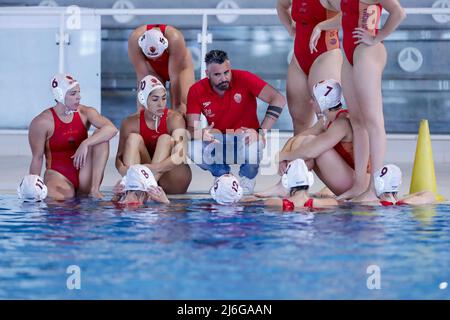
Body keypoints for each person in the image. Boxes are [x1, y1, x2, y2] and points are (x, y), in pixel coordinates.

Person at [310, 0, 406, 202]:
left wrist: (377, 37)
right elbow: (344, 15)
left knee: (373, 121)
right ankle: (360, 184)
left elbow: (398, 13)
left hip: (368, 52)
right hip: (351, 54)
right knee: (358, 122)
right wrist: (320, 25)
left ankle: (375, 187)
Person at [186, 49, 286, 194]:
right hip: (218, 140)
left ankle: (247, 179)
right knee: (192, 147)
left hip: (245, 138)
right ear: (207, 74)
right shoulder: (196, 90)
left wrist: (261, 132)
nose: (224, 78)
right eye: (217, 75)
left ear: (230, 67)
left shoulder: (244, 78)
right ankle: (223, 177)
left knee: (255, 143)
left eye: (226, 72)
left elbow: (278, 99)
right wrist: (199, 133)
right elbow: (191, 128)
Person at [256, 79, 368, 198]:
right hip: (347, 177)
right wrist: (283, 156)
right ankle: (284, 185)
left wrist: (282, 156)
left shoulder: (342, 123)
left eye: (314, 98)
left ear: (323, 101)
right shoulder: (326, 121)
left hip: (357, 184)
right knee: (303, 141)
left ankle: (287, 187)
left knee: (311, 144)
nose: (310, 102)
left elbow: (311, 150)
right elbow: (298, 138)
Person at [27, 74, 118, 200]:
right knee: (61, 205)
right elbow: (37, 158)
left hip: (84, 173)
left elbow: (112, 129)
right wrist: (32, 189)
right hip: (58, 176)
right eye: (73, 94)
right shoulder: (42, 122)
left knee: (101, 136)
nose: (79, 97)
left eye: (79, 93)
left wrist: (85, 143)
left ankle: (94, 190)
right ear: (60, 95)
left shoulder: (85, 112)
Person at [115, 75, 192, 194]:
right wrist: (125, 172)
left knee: (165, 139)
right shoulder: (130, 123)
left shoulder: (175, 119)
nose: (161, 104)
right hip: (148, 173)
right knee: (133, 138)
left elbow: (180, 154)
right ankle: (134, 188)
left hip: (174, 179)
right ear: (143, 99)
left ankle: (141, 188)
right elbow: (119, 158)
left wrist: (151, 170)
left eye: (164, 98)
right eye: (155, 99)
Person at [277, 0, 342, 134]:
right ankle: (302, 155)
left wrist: (322, 26)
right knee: (299, 123)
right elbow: (281, 6)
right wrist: (290, 28)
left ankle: (327, 155)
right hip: (299, 58)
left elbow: (349, 14)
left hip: (326, 56)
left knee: (326, 122)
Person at [128, 24, 195, 115]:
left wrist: (177, 107)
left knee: (185, 106)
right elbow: (142, 77)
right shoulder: (134, 40)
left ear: (165, 45)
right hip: (153, 69)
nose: (154, 60)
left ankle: (193, 128)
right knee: (148, 108)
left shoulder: (175, 38)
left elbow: (174, 77)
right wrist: (141, 107)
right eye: (151, 58)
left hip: (181, 67)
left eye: (157, 56)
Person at [265, 159, 338, 210]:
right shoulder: (330, 202)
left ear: (285, 182)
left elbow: (266, 203)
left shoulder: (273, 203)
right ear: (310, 179)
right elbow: (335, 202)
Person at [369, 164, 436, 206]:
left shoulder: (374, 203)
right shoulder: (405, 202)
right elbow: (430, 195)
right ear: (399, 183)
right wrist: (407, 198)